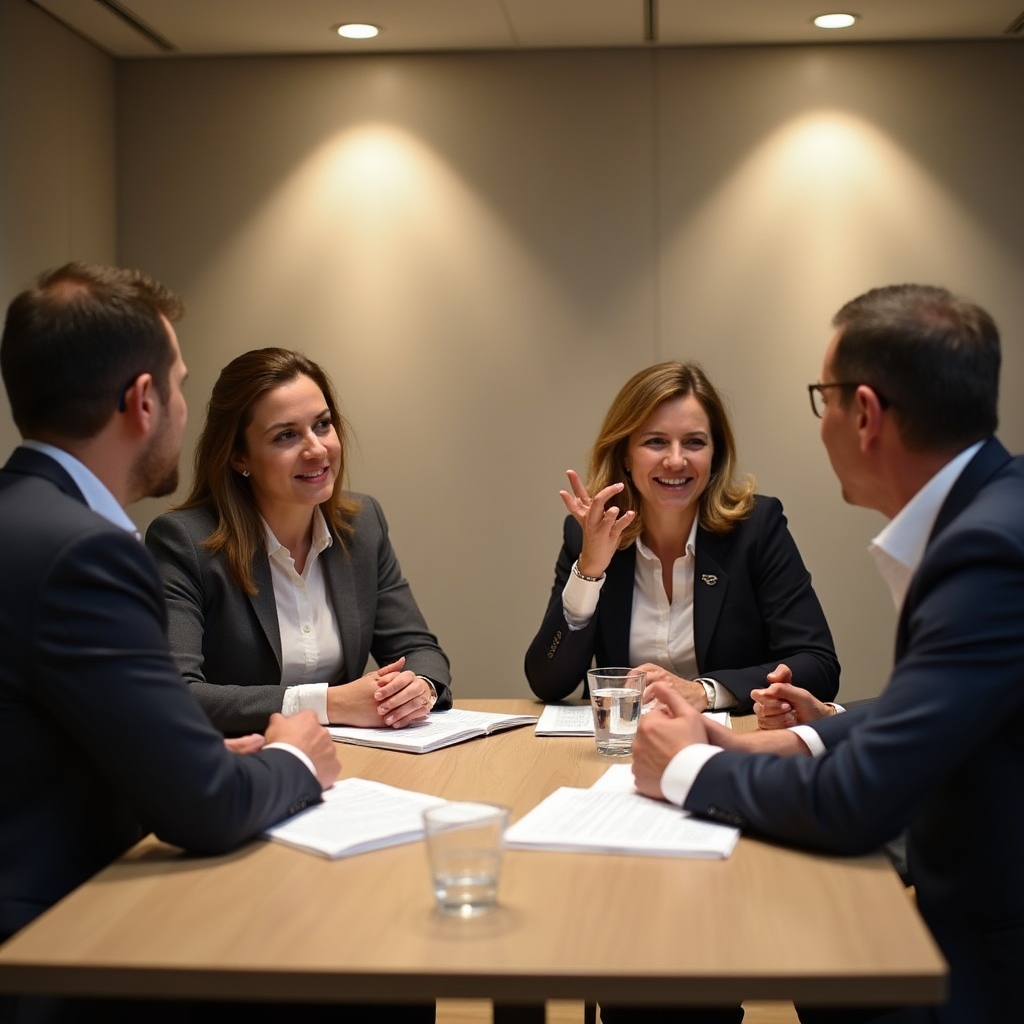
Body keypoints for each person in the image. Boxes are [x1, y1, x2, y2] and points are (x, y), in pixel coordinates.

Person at [632, 284, 1024, 1023]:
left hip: (991, 961)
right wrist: (787, 739)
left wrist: (687, 766)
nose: (822, 426)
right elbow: (931, 708)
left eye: (825, 399)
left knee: (823, 969)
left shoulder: (985, 554)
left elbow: (856, 806)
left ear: (867, 414)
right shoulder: (998, 510)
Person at [0, 264, 339, 1020]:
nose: (185, 410)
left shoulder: (22, 518)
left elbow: (40, 742)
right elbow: (205, 812)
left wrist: (192, 756)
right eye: (180, 385)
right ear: (143, 401)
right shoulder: (84, 552)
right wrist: (295, 756)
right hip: (62, 945)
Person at [145, 347, 452, 737]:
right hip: (242, 771)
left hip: (348, 763)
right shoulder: (183, 542)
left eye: (322, 425)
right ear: (239, 456)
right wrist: (329, 703)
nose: (317, 449)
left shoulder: (363, 525)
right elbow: (178, 694)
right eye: (286, 435)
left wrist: (417, 688)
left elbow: (421, 651)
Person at [525, 361, 840, 716]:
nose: (676, 460)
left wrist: (705, 692)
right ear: (625, 455)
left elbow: (819, 665)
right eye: (656, 442)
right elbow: (548, 682)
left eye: (694, 442)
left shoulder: (757, 528)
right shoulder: (592, 535)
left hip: (735, 746)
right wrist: (590, 572)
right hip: (628, 748)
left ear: (714, 454)